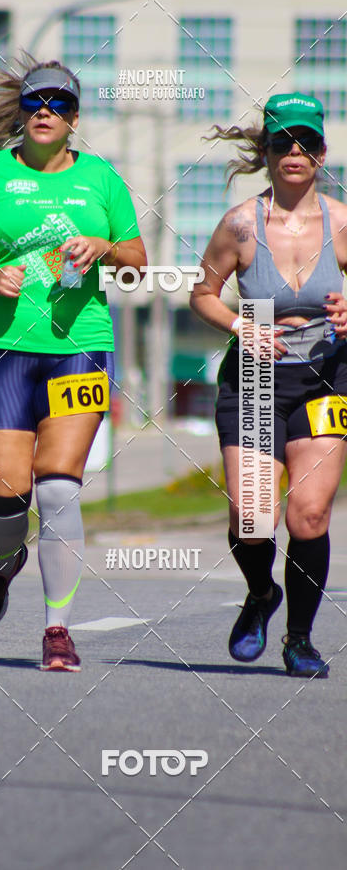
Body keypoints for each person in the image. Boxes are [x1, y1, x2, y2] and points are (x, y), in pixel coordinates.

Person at [0, 59, 146, 670]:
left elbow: (136, 262)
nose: (46, 111)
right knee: (7, 496)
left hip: (79, 345)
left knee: (56, 487)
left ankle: (57, 629)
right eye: (35, 102)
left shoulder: (101, 178)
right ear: (22, 113)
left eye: (59, 103)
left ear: (75, 118)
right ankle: (5, 560)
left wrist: (105, 247)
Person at [190, 92, 347, 678]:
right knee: (253, 517)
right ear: (268, 152)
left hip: (327, 376)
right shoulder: (240, 224)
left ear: (322, 153)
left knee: (310, 515)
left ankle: (299, 639)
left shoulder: (341, 222)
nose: (295, 152)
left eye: (306, 142)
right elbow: (202, 294)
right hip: (255, 379)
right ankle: (261, 593)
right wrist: (241, 326)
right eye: (283, 142)